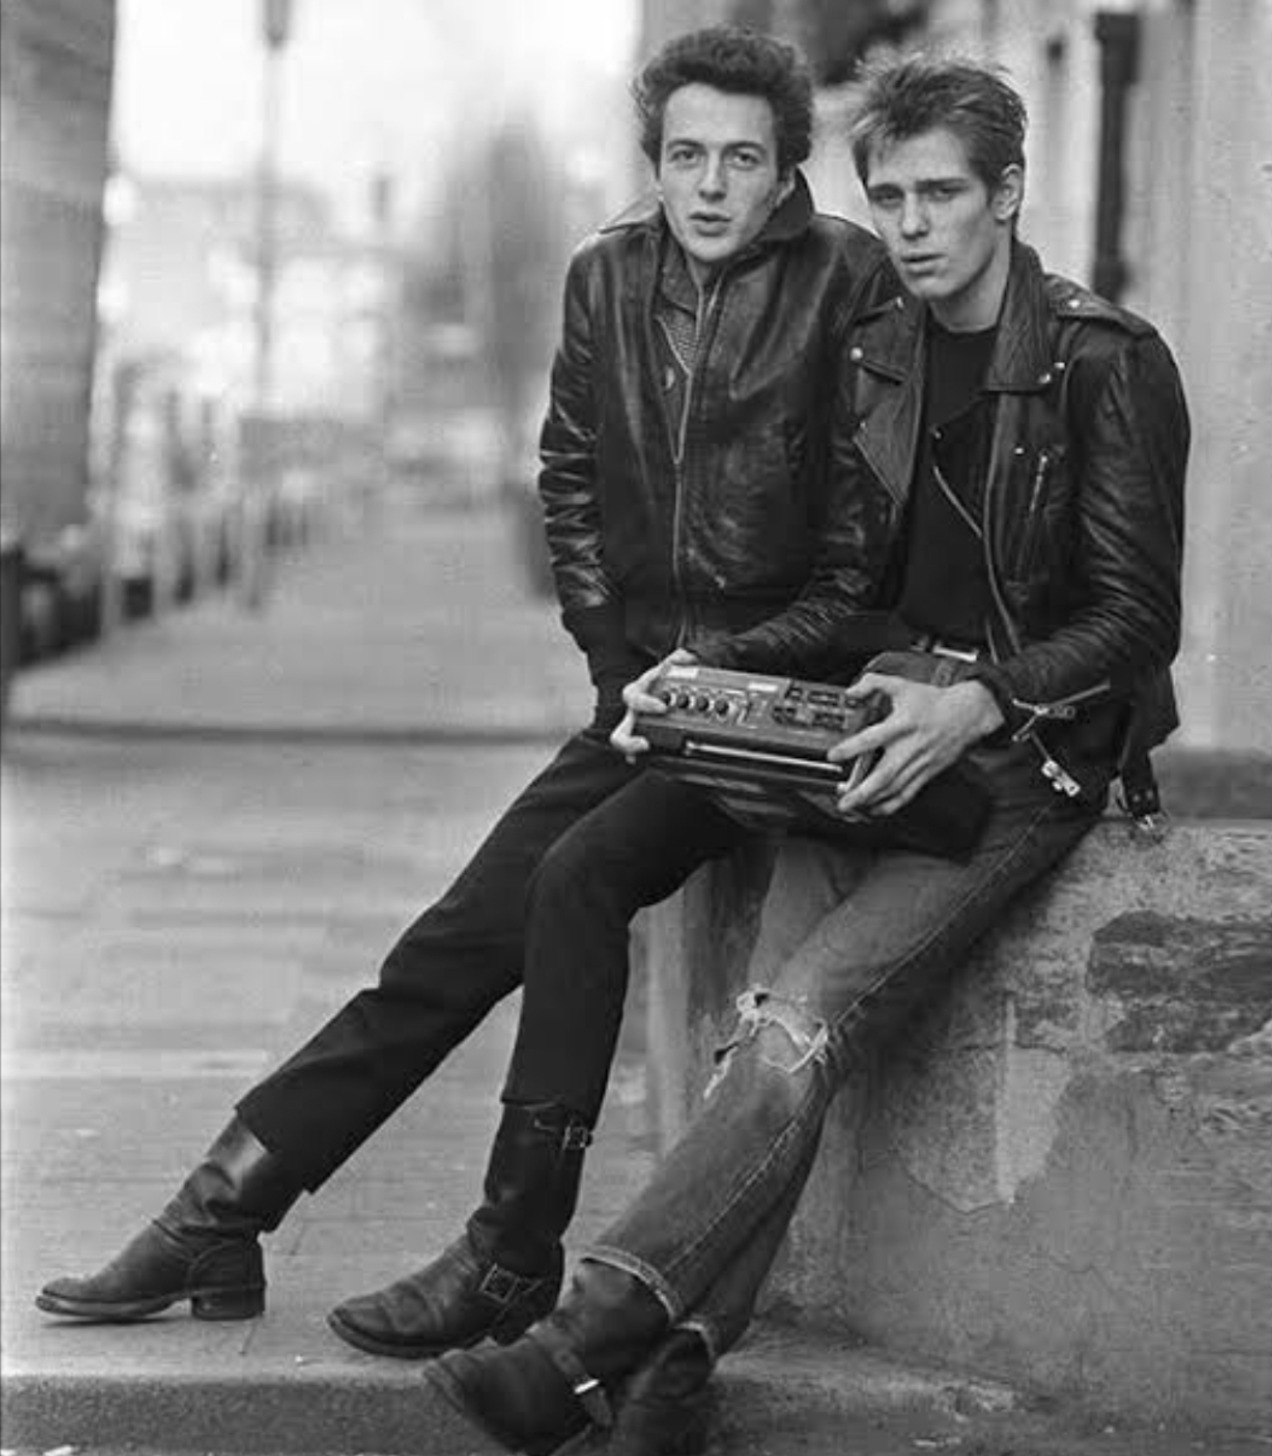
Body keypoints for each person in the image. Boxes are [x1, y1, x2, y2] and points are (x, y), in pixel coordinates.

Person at [36, 26, 890, 1363]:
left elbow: (861, 552)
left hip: (773, 712)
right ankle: (222, 1208)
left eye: (741, 159)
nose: (711, 186)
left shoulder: (848, 280)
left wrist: (725, 677)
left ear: (787, 169)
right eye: (686, 156)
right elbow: (570, 482)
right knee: (447, 947)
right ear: (655, 160)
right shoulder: (609, 273)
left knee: (577, 883)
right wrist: (623, 676)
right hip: (643, 703)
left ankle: (510, 1251)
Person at [425, 53, 1189, 1455]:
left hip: (1027, 757)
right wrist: (711, 673)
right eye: (887, 196)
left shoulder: (1103, 361)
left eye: (942, 194)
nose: (912, 225)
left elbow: (1137, 622)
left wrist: (980, 699)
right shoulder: (881, 351)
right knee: (764, 1031)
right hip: (870, 729)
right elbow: (845, 588)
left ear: (1010, 192)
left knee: (800, 1022)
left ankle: (580, 1340)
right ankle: (672, 1377)